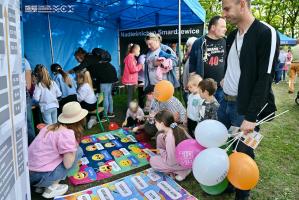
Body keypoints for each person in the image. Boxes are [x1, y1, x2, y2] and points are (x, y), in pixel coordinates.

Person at [221, 0, 279, 199]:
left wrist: (251, 115)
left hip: (244, 108)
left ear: (242, 4)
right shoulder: (231, 35)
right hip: (225, 102)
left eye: (227, 8)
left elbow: (265, 78)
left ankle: (242, 193)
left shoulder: (265, 33)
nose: (224, 14)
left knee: (244, 151)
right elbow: (234, 66)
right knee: (227, 146)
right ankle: (230, 182)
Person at [29, 102, 86, 198]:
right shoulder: (67, 134)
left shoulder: (49, 127)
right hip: (41, 176)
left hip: (28, 174)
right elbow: (68, 164)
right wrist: (73, 150)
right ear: (80, 120)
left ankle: (41, 186)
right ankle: (51, 187)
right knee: (78, 151)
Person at [189, 15, 227, 104]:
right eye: (222, 27)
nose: (225, 29)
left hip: (221, 87)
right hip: (204, 89)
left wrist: (226, 77)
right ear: (213, 27)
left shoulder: (226, 41)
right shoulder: (199, 42)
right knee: (203, 114)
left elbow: (231, 62)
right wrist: (194, 84)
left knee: (220, 114)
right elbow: (192, 64)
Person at [149, 110, 191, 181]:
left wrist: (161, 151)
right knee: (160, 137)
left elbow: (172, 162)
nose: (155, 124)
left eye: (156, 122)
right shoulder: (176, 127)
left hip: (181, 164)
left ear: (162, 124)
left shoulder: (170, 137)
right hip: (185, 158)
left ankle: (182, 171)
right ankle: (180, 170)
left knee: (153, 160)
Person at [182, 37, 197, 105]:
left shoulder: (195, 58)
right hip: (187, 89)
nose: (187, 48)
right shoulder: (189, 57)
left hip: (191, 90)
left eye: (189, 46)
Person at [24, 57, 35, 145]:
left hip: (23, 95)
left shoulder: (23, 61)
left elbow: (28, 86)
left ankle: (31, 145)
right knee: (28, 122)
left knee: (27, 122)